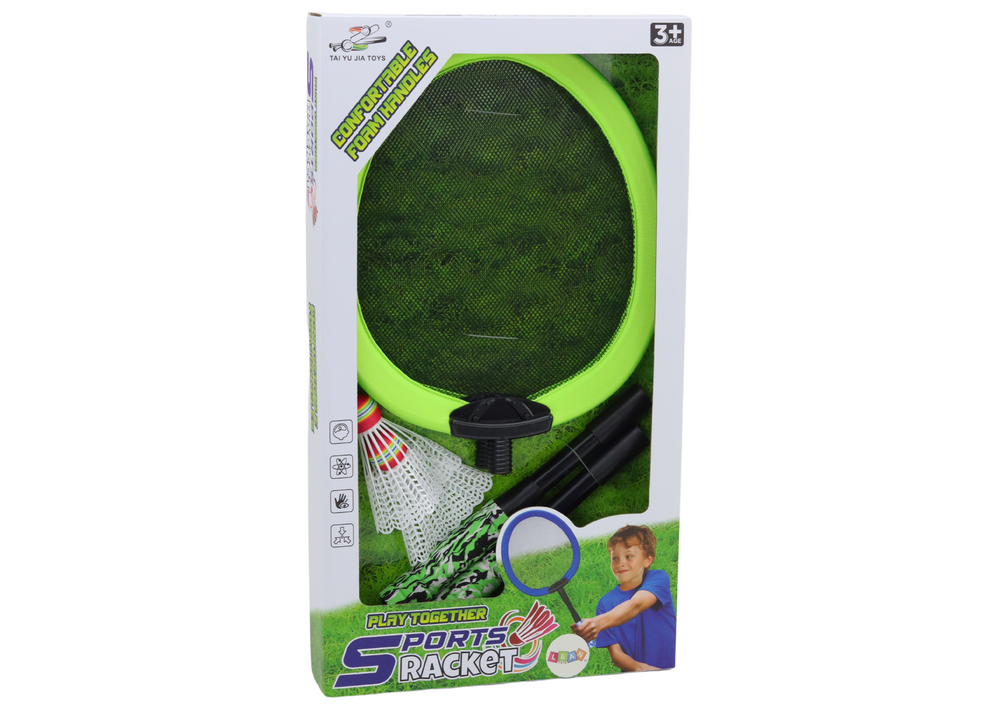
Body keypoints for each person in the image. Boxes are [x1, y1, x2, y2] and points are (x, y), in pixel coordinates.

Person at [571, 524, 676, 670]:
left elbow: (636, 605)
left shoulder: (658, 578)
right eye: (614, 558)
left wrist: (598, 622)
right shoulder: (605, 603)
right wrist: (640, 669)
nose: (620, 563)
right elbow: (616, 653)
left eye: (629, 556)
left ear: (647, 560)